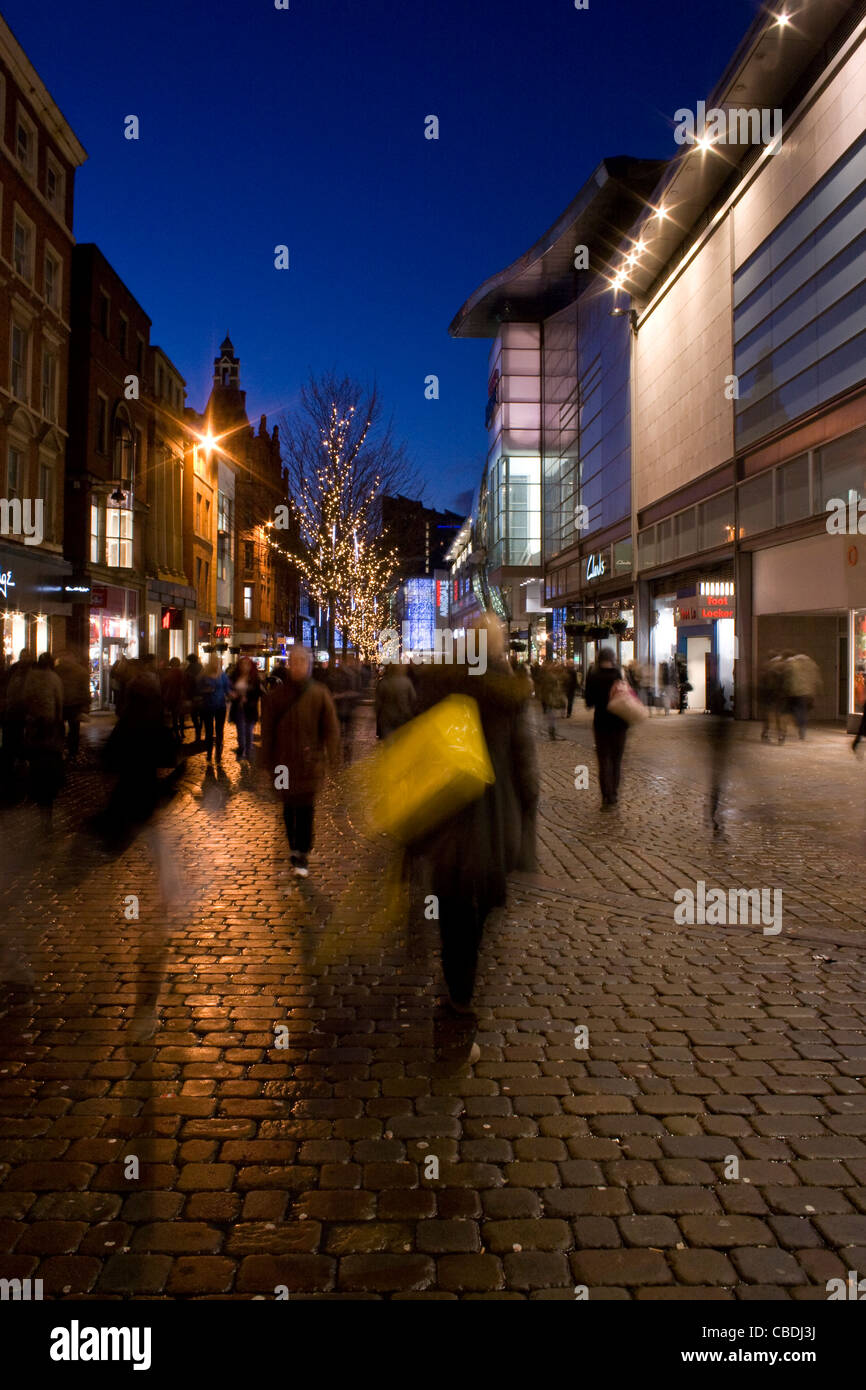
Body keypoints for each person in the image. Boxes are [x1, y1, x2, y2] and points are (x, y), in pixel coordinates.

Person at [410, 617, 538, 1011]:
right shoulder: (508, 691)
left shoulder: (440, 682)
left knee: (450, 901)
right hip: (492, 811)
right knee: (480, 899)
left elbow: (419, 744)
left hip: (447, 811)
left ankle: (457, 981)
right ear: (497, 649)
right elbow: (523, 757)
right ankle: (464, 972)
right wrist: (528, 804)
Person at [259, 644, 340, 878]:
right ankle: (293, 845)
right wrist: (266, 761)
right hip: (283, 764)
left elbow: (331, 729)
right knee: (287, 806)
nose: (299, 667)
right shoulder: (276, 697)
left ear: (309, 665)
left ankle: (302, 852)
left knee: (305, 809)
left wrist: (333, 758)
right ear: (290, 665)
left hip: (308, 763)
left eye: (303, 662)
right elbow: (268, 731)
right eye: (295, 662)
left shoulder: (319, 693)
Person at [23, 651, 65, 830]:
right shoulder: (54, 678)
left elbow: (25, 699)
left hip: (34, 726)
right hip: (49, 727)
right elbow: (59, 701)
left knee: (37, 764)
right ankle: (47, 810)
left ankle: (40, 803)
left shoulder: (31, 677)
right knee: (49, 767)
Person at [585, 647, 628, 810]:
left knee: (604, 760)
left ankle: (606, 794)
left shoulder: (593, 675)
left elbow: (589, 702)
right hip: (619, 722)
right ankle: (614, 794)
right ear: (614, 657)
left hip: (601, 722)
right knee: (617, 760)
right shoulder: (620, 673)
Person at [56, 649, 90, 758]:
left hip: (61, 703)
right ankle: (73, 751)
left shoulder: (57, 670)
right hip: (74, 704)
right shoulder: (80, 671)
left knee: (59, 727)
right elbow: (85, 689)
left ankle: (60, 748)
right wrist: (86, 704)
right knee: (74, 729)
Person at [780, 650, 821, 742]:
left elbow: (787, 678)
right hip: (806, 693)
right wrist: (816, 691)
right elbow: (816, 679)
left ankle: (784, 732)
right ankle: (802, 730)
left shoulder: (792, 664)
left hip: (793, 692)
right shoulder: (812, 665)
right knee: (802, 711)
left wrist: (785, 690)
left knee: (787, 712)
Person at [198, 655, 230, 763]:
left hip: (221, 706)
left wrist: (232, 694)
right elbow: (198, 688)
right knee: (209, 730)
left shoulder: (223, 675)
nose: (216, 664)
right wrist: (206, 690)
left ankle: (218, 752)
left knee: (219, 730)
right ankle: (209, 752)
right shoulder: (204, 675)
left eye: (217, 662)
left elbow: (227, 688)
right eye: (214, 662)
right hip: (208, 706)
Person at [229, 656, 262, 763]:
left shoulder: (254, 678)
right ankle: (241, 751)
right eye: (243, 664)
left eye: (247, 664)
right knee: (241, 732)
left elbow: (258, 693)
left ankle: (248, 752)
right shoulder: (235, 677)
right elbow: (230, 689)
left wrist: (248, 699)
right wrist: (235, 696)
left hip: (250, 709)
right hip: (238, 709)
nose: (245, 666)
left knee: (248, 731)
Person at [375, 661, 416, 738]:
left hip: (387, 716)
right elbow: (413, 698)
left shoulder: (384, 682)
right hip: (403, 715)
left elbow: (378, 702)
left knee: (389, 740)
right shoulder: (406, 682)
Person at [757, 652, 785, 743]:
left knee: (767, 715)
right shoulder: (782, 666)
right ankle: (781, 735)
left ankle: (765, 734)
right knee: (779, 715)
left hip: (767, 694)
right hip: (778, 695)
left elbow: (761, 681)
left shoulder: (766, 666)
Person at [160, 657, 186, 743]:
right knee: (180, 715)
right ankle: (181, 731)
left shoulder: (168, 673)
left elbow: (164, 684)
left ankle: (176, 732)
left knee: (175, 716)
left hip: (171, 695)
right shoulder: (181, 672)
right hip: (179, 695)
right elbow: (184, 683)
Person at [184, 653, 204, 741]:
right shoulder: (201, 668)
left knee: (194, 714)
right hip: (202, 695)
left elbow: (186, 683)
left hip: (193, 695)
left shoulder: (188, 669)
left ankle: (197, 729)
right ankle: (200, 727)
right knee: (202, 713)